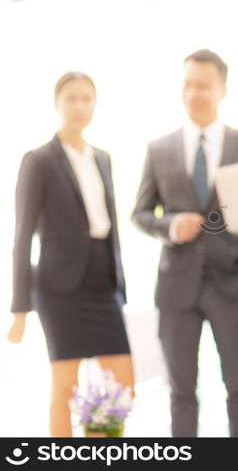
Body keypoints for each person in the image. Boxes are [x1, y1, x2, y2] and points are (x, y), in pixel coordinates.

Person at [131, 49, 238, 437]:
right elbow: (140, 213)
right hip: (177, 288)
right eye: (187, 85)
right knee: (181, 392)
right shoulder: (159, 149)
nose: (194, 93)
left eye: (203, 86)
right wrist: (171, 226)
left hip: (233, 285)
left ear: (222, 88)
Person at [7, 71, 134, 437]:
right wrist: (20, 309)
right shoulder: (39, 160)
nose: (80, 106)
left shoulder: (103, 158)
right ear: (57, 103)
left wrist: (119, 286)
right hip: (59, 289)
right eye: (71, 98)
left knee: (120, 386)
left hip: (102, 282)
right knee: (66, 388)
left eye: (86, 99)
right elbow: (22, 236)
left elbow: (109, 227)